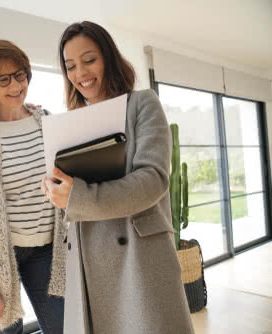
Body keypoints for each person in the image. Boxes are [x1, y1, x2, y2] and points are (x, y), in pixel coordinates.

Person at [42, 21, 195, 334]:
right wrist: (57, 190)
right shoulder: (71, 123)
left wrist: (78, 196)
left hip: (139, 257)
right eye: (70, 66)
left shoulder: (142, 104)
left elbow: (153, 180)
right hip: (88, 256)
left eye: (89, 60)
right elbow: (70, 193)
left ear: (108, 57)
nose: (80, 74)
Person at [0, 40, 66, 334]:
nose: (16, 85)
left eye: (21, 75)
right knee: (8, 330)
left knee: (63, 328)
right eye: (4, 79)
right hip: (3, 254)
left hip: (46, 250)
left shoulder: (47, 121)